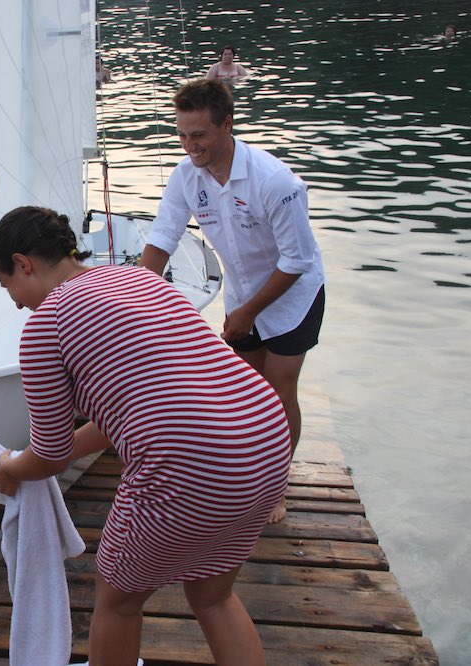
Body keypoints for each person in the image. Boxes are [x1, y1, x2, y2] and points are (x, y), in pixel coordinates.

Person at [0, 206, 291, 665]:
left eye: (8, 286)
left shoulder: (46, 326)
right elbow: (129, 416)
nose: (15, 303)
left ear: (23, 264)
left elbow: (50, 455)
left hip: (191, 461)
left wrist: (9, 468)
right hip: (264, 436)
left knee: (119, 600)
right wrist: (27, 459)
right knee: (213, 595)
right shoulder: (139, 278)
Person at [141, 78, 325, 524]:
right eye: (182, 135)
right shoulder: (186, 175)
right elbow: (163, 237)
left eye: (198, 135)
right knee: (245, 392)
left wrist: (248, 313)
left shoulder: (275, 182)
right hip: (242, 292)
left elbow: (296, 260)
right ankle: (243, 476)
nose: (190, 147)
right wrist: (137, 302)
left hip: (294, 295)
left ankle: (275, 488)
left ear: (227, 125)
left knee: (279, 389)